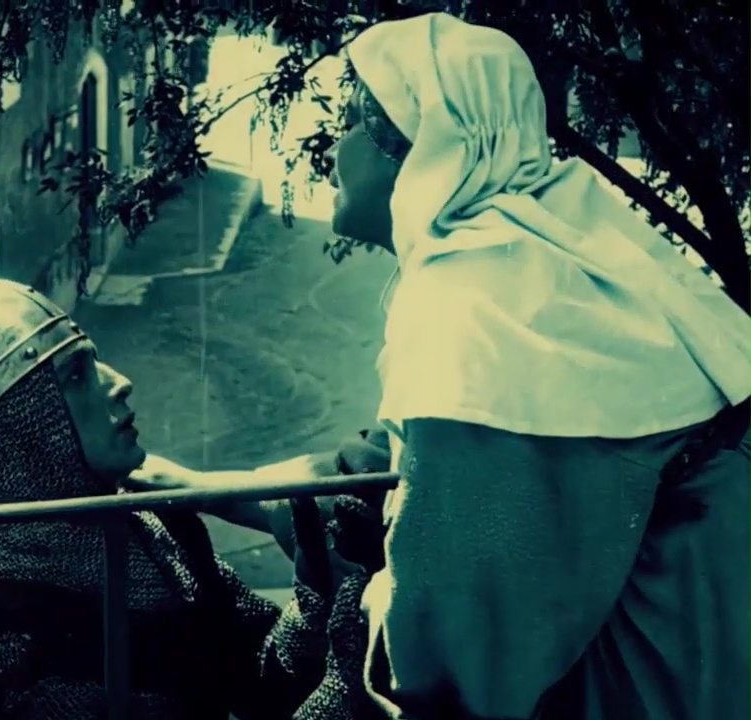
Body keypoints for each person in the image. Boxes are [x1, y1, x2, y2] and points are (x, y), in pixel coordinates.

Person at [131, 12, 751, 720]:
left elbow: (449, 656)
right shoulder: (547, 254)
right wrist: (190, 486)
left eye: (352, 123)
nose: (334, 148)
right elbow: (371, 473)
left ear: (418, 146)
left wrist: (363, 612)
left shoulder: (472, 310)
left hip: (651, 686)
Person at [0, 278, 386, 720]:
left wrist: (315, 601)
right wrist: (345, 681)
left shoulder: (153, 525)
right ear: (22, 436)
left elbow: (254, 677)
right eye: (77, 376)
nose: (119, 382)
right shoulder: (28, 642)